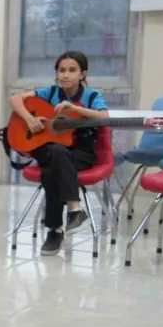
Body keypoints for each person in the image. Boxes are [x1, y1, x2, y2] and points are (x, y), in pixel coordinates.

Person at [8, 50, 109, 256]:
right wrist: (29, 119)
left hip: (81, 153)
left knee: (51, 168)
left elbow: (104, 117)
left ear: (82, 74)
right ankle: (75, 209)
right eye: (62, 70)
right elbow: (15, 99)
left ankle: (54, 231)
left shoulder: (92, 96)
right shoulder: (51, 92)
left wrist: (74, 108)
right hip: (50, 151)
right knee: (55, 152)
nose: (65, 75)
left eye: (72, 70)